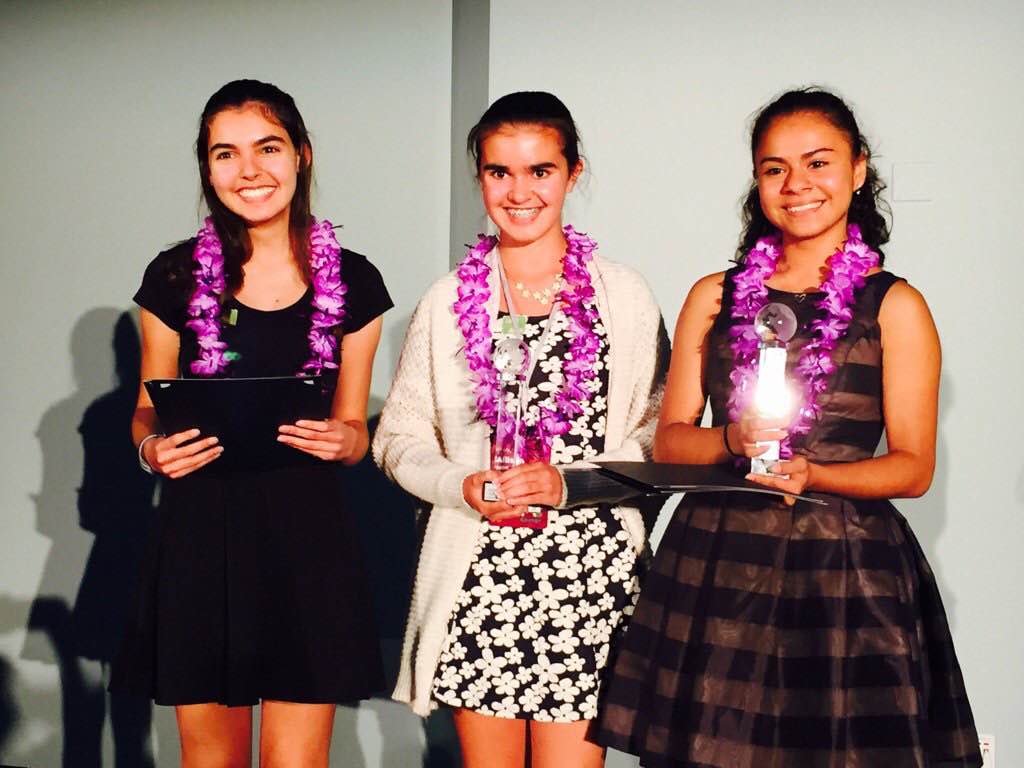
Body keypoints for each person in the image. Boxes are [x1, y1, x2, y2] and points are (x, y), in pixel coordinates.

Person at [595, 87, 981, 767]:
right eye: (775, 168)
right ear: (757, 181)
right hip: (719, 562)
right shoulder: (714, 295)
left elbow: (914, 467)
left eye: (817, 162)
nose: (796, 185)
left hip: (844, 573)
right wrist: (732, 441)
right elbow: (672, 439)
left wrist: (817, 474)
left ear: (858, 170)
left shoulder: (896, 306)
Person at [373, 91, 667, 767]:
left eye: (540, 171)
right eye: (499, 172)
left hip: (589, 576)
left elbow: (657, 440)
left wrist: (569, 483)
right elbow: (396, 438)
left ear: (574, 173)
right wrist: (459, 483)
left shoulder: (622, 295)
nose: (519, 191)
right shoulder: (447, 302)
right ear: (479, 177)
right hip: (480, 572)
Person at [109, 79, 392, 767]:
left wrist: (347, 439)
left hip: (308, 541)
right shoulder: (175, 276)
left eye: (267, 148)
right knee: (212, 762)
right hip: (200, 539)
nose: (249, 172)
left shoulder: (354, 282)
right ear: (207, 169)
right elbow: (147, 404)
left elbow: (354, 426)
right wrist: (151, 448)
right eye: (225, 154)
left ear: (302, 154)